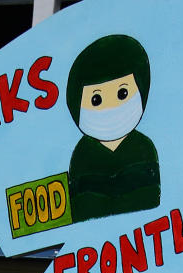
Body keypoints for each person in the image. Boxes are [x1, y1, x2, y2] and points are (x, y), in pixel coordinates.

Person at [65, 34, 160, 223]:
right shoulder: (82, 154)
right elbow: (79, 209)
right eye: (96, 99)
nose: (111, 108)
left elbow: (151, 202)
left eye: (122, 93)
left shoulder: (144, 147)